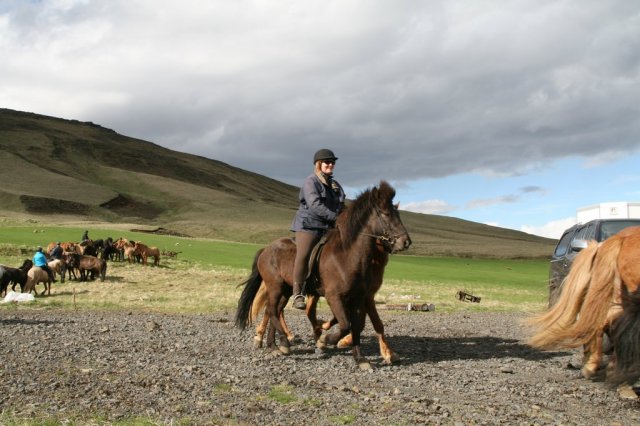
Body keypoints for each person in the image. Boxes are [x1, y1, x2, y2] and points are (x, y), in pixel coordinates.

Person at [290, 148, 346, 309]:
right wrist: (336, 218)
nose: (331, 165)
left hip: (329, 227)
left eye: (333, 162)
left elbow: (341, 205)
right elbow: (315, 205)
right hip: (309, 226)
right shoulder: (311, 181)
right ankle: (298, 293)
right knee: (304, 255)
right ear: (318, 164)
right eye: (327, 162)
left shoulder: (335, 185)